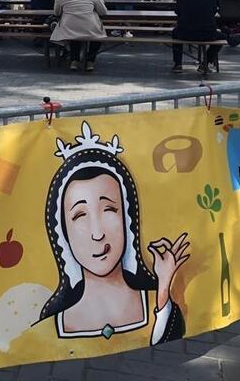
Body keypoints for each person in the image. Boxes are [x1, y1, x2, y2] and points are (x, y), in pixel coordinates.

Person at [39, 121, 188, 344]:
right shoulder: (49, 324)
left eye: (109, 209)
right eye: (80, 215)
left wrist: (164, 286)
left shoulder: (156, 301)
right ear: (62, 233)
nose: (97, 234)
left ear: (128, 219)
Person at [51, 0, 108, 72]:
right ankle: (90, 61)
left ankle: (74, 60)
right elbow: (103, 11)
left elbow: (57, 12)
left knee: (73, 33)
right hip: (90, 26)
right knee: (96, 36)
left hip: (68, 27)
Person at [170, 0, 225, 74]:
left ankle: (178, 64)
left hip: (185, 33)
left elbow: (177, 12)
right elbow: (213, 12)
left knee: (174, 33)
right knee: (222, 37)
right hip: (207, 33)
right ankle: (206, 63)